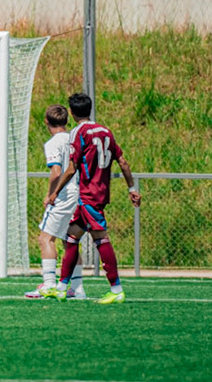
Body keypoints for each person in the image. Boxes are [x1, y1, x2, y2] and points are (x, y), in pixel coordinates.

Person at [42, 92, 141, 305]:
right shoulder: (106, 131)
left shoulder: (78, 133)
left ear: (72, 113)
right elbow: (122, 161)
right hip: (97, 193)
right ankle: (61, 287)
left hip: (89, 194)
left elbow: (71, 168)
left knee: (100, 239)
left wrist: (54, 193)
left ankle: (116, 289)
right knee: (71, 237)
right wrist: (131, 187)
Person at [24, 103, 87, 301]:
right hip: (80, 194)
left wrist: (51, 194)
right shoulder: (74, 138)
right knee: (70, 240)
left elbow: (56, 172)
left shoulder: (53, 143)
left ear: (46, 121)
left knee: (45, 238)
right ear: (67, 121)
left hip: (64, 196)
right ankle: (77, 289)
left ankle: (50, 285)